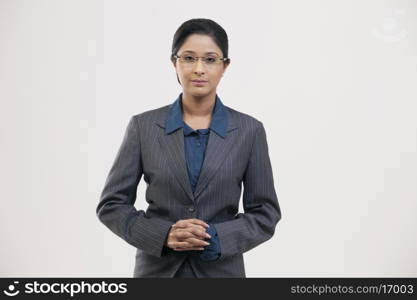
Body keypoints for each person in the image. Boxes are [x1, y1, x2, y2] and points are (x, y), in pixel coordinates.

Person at [96, 18, 281, 278]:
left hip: (221, 273)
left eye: (210, 59)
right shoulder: (144, 126)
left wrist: (216, 238)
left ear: (225, 66)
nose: (199, 69)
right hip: (156, 272)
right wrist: (164, 235)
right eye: (189, 58)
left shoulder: (249, 130)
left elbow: (265, 212)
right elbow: (112, 205)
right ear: (174, 62)